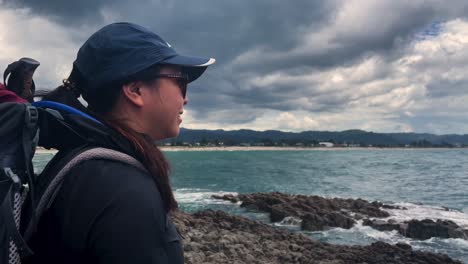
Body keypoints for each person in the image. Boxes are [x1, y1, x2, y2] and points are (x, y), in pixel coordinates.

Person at [25, 22, 215, 264]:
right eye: (181, 81)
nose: (185, 99)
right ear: (135, 90)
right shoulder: (124, 192)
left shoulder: (86, 164)